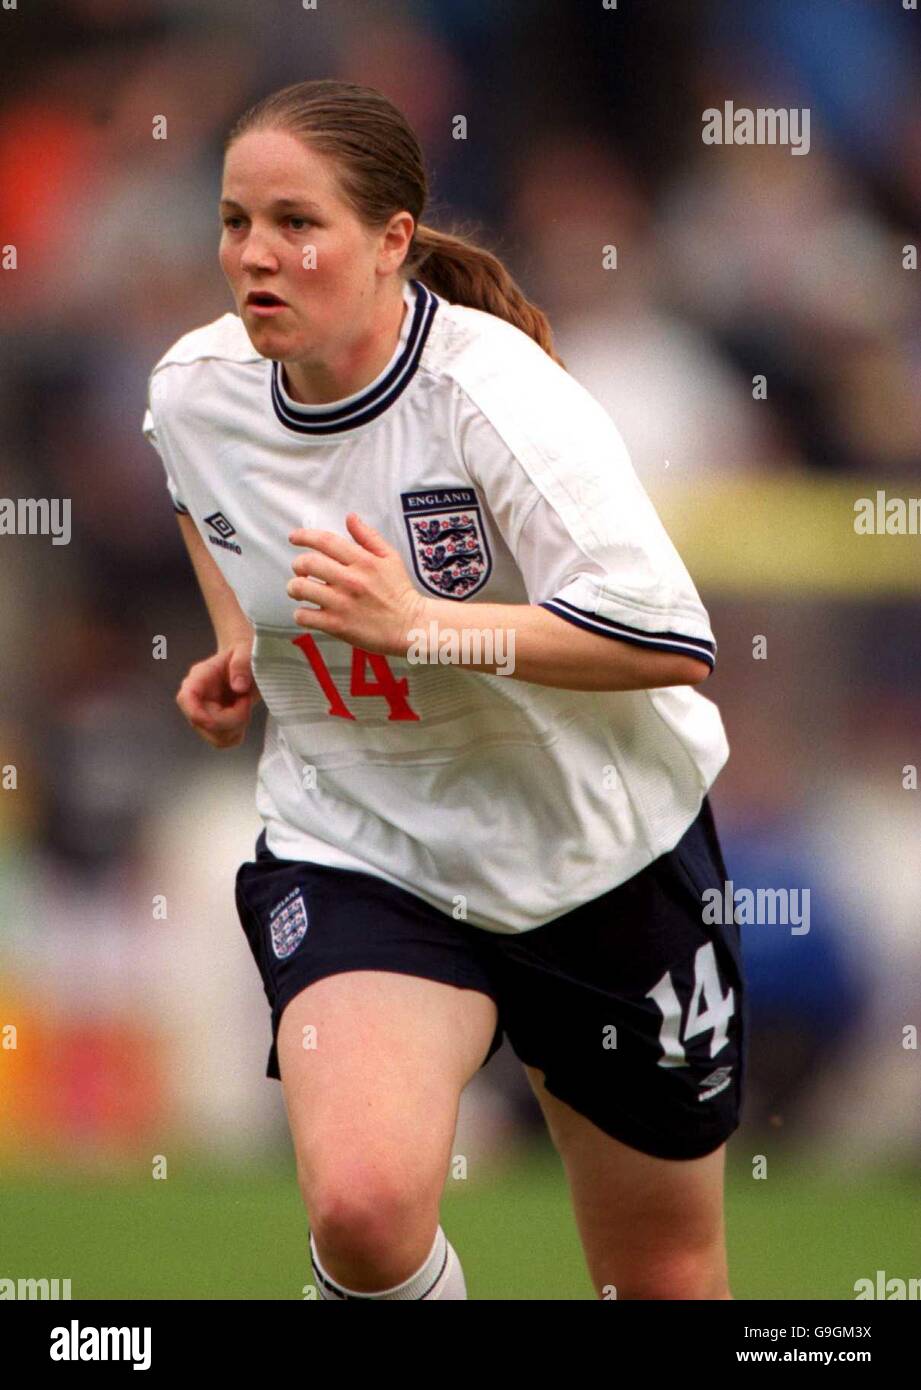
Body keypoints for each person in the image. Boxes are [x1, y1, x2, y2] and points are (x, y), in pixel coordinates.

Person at [142, 79, 744, 1302]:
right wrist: (239, 643)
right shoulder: (192, 388)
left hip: (598, 855)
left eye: (297, 223)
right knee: (363, 1210)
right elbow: (202, 499)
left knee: (663, 1274)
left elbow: (670, 642)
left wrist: (423, 626)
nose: (257, 255)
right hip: (363, 839)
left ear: (392, 242)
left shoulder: (495, 395)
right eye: (235, 220)